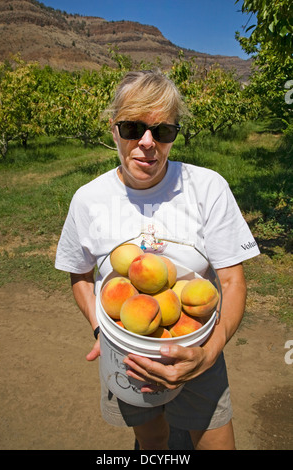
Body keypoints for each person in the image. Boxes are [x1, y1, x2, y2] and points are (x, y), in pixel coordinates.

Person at [55, 70, 260, 450]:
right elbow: (80, 273)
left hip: (197, 343)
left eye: (163, 131)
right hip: (126, 353)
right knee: (152, 440)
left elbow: (232, 282)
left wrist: (206, 355)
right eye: (133, 127)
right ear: (113, 130)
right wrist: (101, 328)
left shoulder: (207, 187)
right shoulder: (89, 199)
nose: (147, 143)